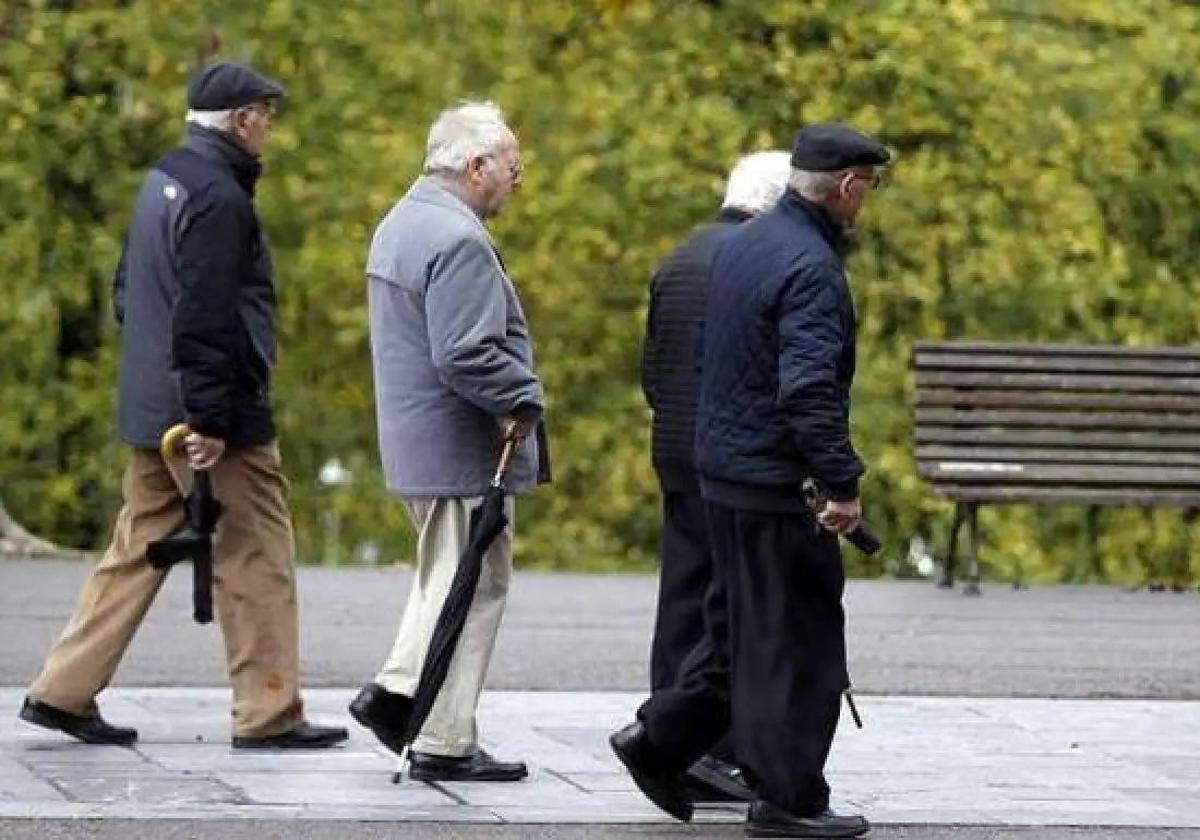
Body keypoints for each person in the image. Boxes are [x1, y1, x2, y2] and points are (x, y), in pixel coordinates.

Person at [20, 61, 347, 750]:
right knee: (256, 553)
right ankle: (268, 712)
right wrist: (210, 418)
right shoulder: (220, 200)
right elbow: (206, 317)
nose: (269, 128)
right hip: (204, 418)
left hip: (152, 406)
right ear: (241, 121)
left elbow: (126, 291)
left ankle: (63, 689)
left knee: (138, 547)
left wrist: (161, 392)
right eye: (265, 115)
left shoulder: (164, 179)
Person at [610, 124, 890, 839]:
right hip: (774, 483)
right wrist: (841, 483)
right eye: (871, 187)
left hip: (722, 475)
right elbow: (807, 392)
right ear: (849, 187)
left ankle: (659, 740)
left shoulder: (741, 248)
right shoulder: (812, 269)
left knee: (737, 633)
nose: (868, 203)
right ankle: (788, 798)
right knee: (797, 643)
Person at [350, 101, 548, 783]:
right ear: (476, 165)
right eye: (512, 167)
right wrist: (523, 397)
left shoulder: (401, 222)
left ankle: (399, 695)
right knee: (473, 584)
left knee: (445, 578)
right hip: (460, 448)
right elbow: (465, 353)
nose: (517, 180)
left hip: (419, 444)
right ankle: (438, 732)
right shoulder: (457, 238)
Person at [640, 150, 790, 803]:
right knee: (731, 606)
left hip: (673, 447)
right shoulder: (754, 262)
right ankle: (707, 747)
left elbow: (653, 366)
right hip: (727, 459)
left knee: (682, 596)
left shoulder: (679, 257)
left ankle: (666, 735)